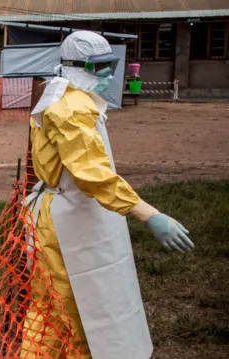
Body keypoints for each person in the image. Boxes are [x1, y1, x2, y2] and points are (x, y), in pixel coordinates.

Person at [22, 31, 194, 359]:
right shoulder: (70, 108)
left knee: (75, 304)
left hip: (74, 214)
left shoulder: (62, 94)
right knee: (65, 307)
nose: (108, 75)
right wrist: (148, 213)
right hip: (68, 221)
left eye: (110, 64)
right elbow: (94, 176)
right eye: (100, 67)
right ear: (78, 66)